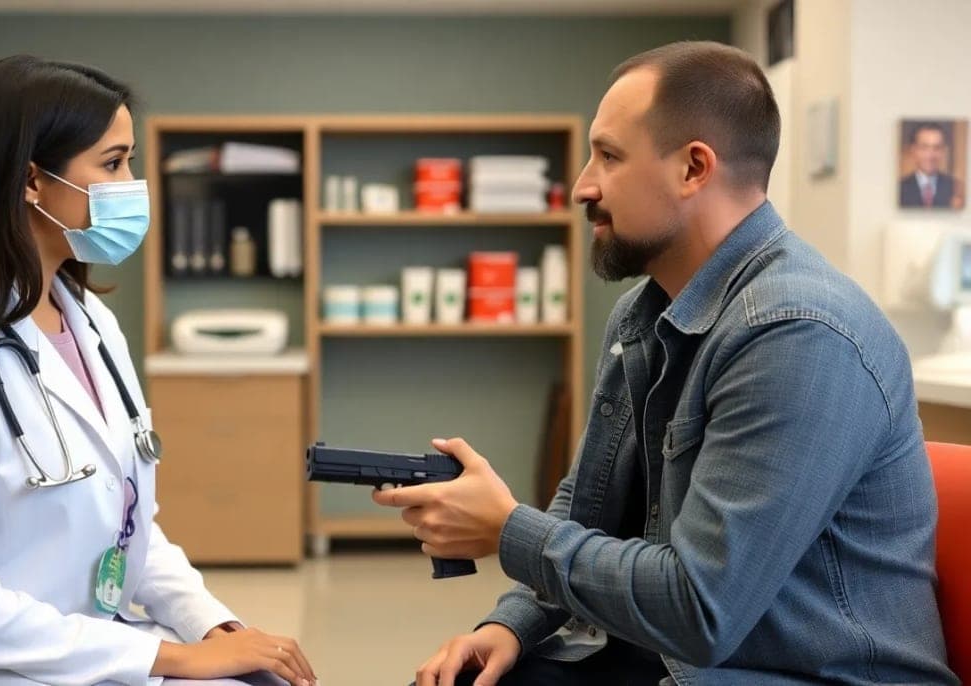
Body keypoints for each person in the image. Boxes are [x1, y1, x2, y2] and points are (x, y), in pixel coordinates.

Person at [374, 41, 956, 685]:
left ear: (693, 169)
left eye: (610, 156)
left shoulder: (797, 332)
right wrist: (507, 624)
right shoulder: (641, 317)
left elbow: (701, 609)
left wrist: (508, 529)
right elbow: (585, 511)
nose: (581, 186)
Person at [0, 55, 316, 686]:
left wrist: (214, 627)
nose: (132, 186)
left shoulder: (87, 317)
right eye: (114, 163)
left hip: (95, 652)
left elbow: (130, 525)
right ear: (31, 181)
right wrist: (171, 657)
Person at [899, 122, 965, 209]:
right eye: (924, 148)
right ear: (913, 150)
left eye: (937, 148)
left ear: (943, 151)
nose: (930, 155)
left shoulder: (956, 188)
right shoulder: (899, 188)